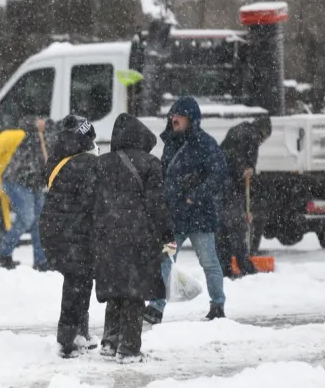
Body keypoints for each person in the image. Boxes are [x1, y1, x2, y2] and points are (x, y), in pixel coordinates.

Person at [93, 114, 174, 363]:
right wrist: (167, 234)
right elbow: (157, 205)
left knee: (115, 287)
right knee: (134, 292)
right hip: (138, 235)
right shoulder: (150, 163)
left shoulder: (101, 163)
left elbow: (92, 202)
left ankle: (109, 341)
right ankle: (128, 348)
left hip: (107, 235)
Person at [145, 96, 228, 324]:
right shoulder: (172, 143)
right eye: (172, 115)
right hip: (175, 217)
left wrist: (195, 195)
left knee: (209, 261)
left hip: (200, 217)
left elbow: (219, 173)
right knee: (164, 260)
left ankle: (218, 305)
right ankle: (156, 307)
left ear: (191, 119)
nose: (174, 119)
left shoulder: (205, 143)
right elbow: (165, 176)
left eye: (178, 115)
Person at [39, 114, 99, 358]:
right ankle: (67, 339)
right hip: (74, 231)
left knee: (79, 280)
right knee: (78, 283)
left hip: (56, 229)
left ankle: (79, 333)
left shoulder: (59, 157)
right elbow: (90, 201)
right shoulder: (85, 162)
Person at [0, 117, 53, 271]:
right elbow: (24, 122)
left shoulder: (61, 143)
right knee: (27, 218)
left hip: (35, 183)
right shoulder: (35, 134)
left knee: (40, 220)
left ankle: (41, 260)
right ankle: (1, 253)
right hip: (16, 179)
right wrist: (35, 124)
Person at [216, 115, 272, 278]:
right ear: (264, 131)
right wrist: (246, 171)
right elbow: (247, 165)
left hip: (219, 180)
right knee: (237, 225)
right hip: (231, 183)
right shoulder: (253, 136)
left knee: (222, 226)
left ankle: (224, 267)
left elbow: (226, 153)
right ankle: (244, 266)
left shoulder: (237, 129)